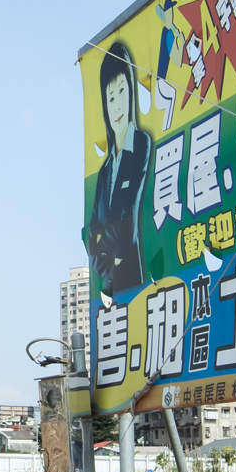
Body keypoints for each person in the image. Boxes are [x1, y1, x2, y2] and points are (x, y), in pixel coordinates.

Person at [88, 40, 151, 296]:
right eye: (110, 96)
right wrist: (108, 263)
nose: (117, 104)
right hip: (110, 289)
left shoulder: (140, 144)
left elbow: (127, 228)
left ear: (132, 91)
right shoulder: (104, 171)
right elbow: (91, 238)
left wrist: (105, 240)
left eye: (122, 91)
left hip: (135, 282)